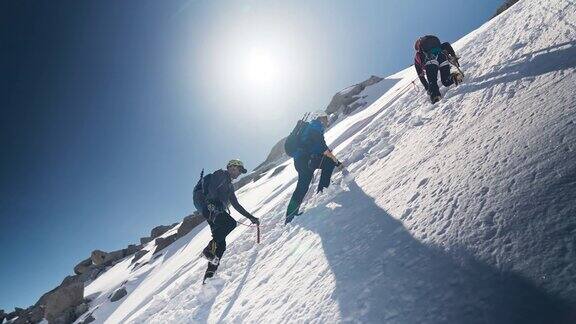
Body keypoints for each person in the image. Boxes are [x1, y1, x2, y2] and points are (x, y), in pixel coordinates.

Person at [193, 159, 260, 283]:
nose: (238, 172)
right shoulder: (221, 174)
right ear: (230, 167)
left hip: (210, 209)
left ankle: (209, 276)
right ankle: (207, 250)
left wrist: (250, 217)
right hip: (209, 206)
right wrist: (213, 202)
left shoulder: (229, 186)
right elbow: (212, 188)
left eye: (240, 171)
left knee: (221, 244)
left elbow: (236, 205)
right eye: (237, 169)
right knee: (230, 223)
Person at [285, 111, 342, 223]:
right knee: (329, 163)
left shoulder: (310, 128)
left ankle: (290, 217)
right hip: (307, 160)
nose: (327, 121)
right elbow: (322, 147)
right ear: (320, 118)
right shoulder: (315, 127)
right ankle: (323, 191)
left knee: (302, 187)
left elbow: (317, 146)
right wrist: (337, 162)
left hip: (300, 161)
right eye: (325, 118)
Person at [414, 35, 463, 103]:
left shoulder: (418, 55)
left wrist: (427, 87)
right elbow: (446, 44)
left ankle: (435, 97)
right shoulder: (435, 45)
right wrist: (453, 55)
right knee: (446, 80)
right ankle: (455, 77)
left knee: (432, 81)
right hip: (442, 57)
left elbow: (421, 75)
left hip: (430, 60)